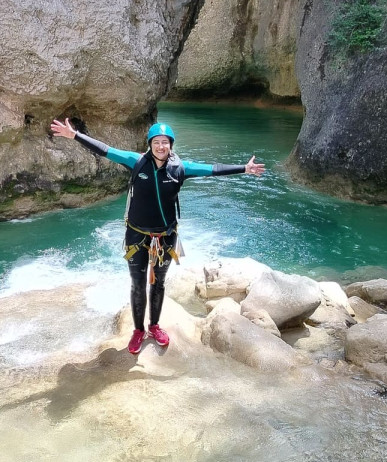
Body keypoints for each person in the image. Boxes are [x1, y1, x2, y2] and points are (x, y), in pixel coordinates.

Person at [50, 117, 265, 354]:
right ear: (150, 144)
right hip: (137, 236)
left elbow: (212, 169)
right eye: (157, 142)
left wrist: (244, 168)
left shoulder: (180, 168)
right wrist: (75, 135)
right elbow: (106, 150)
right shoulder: (137, 162)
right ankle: (138, 330)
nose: (161, 146)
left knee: (159, 282)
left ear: (171, 145)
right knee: (138, 283)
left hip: (165, 236)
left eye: (165, 142)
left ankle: (154, 326)